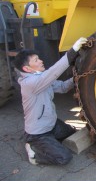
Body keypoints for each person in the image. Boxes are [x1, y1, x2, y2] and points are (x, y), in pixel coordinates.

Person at [14, 37, 88, 165]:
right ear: (27, 69)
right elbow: (53, 73)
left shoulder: (39, 79)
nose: (41, 61)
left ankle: (50, 143)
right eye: (36, 60)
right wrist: (72, 51)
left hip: (51, 125)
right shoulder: (30, 83)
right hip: (38, 133)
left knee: (71, 133)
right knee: (64, 157)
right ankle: (34, 152)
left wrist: (79, 76)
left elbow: (63, 87)